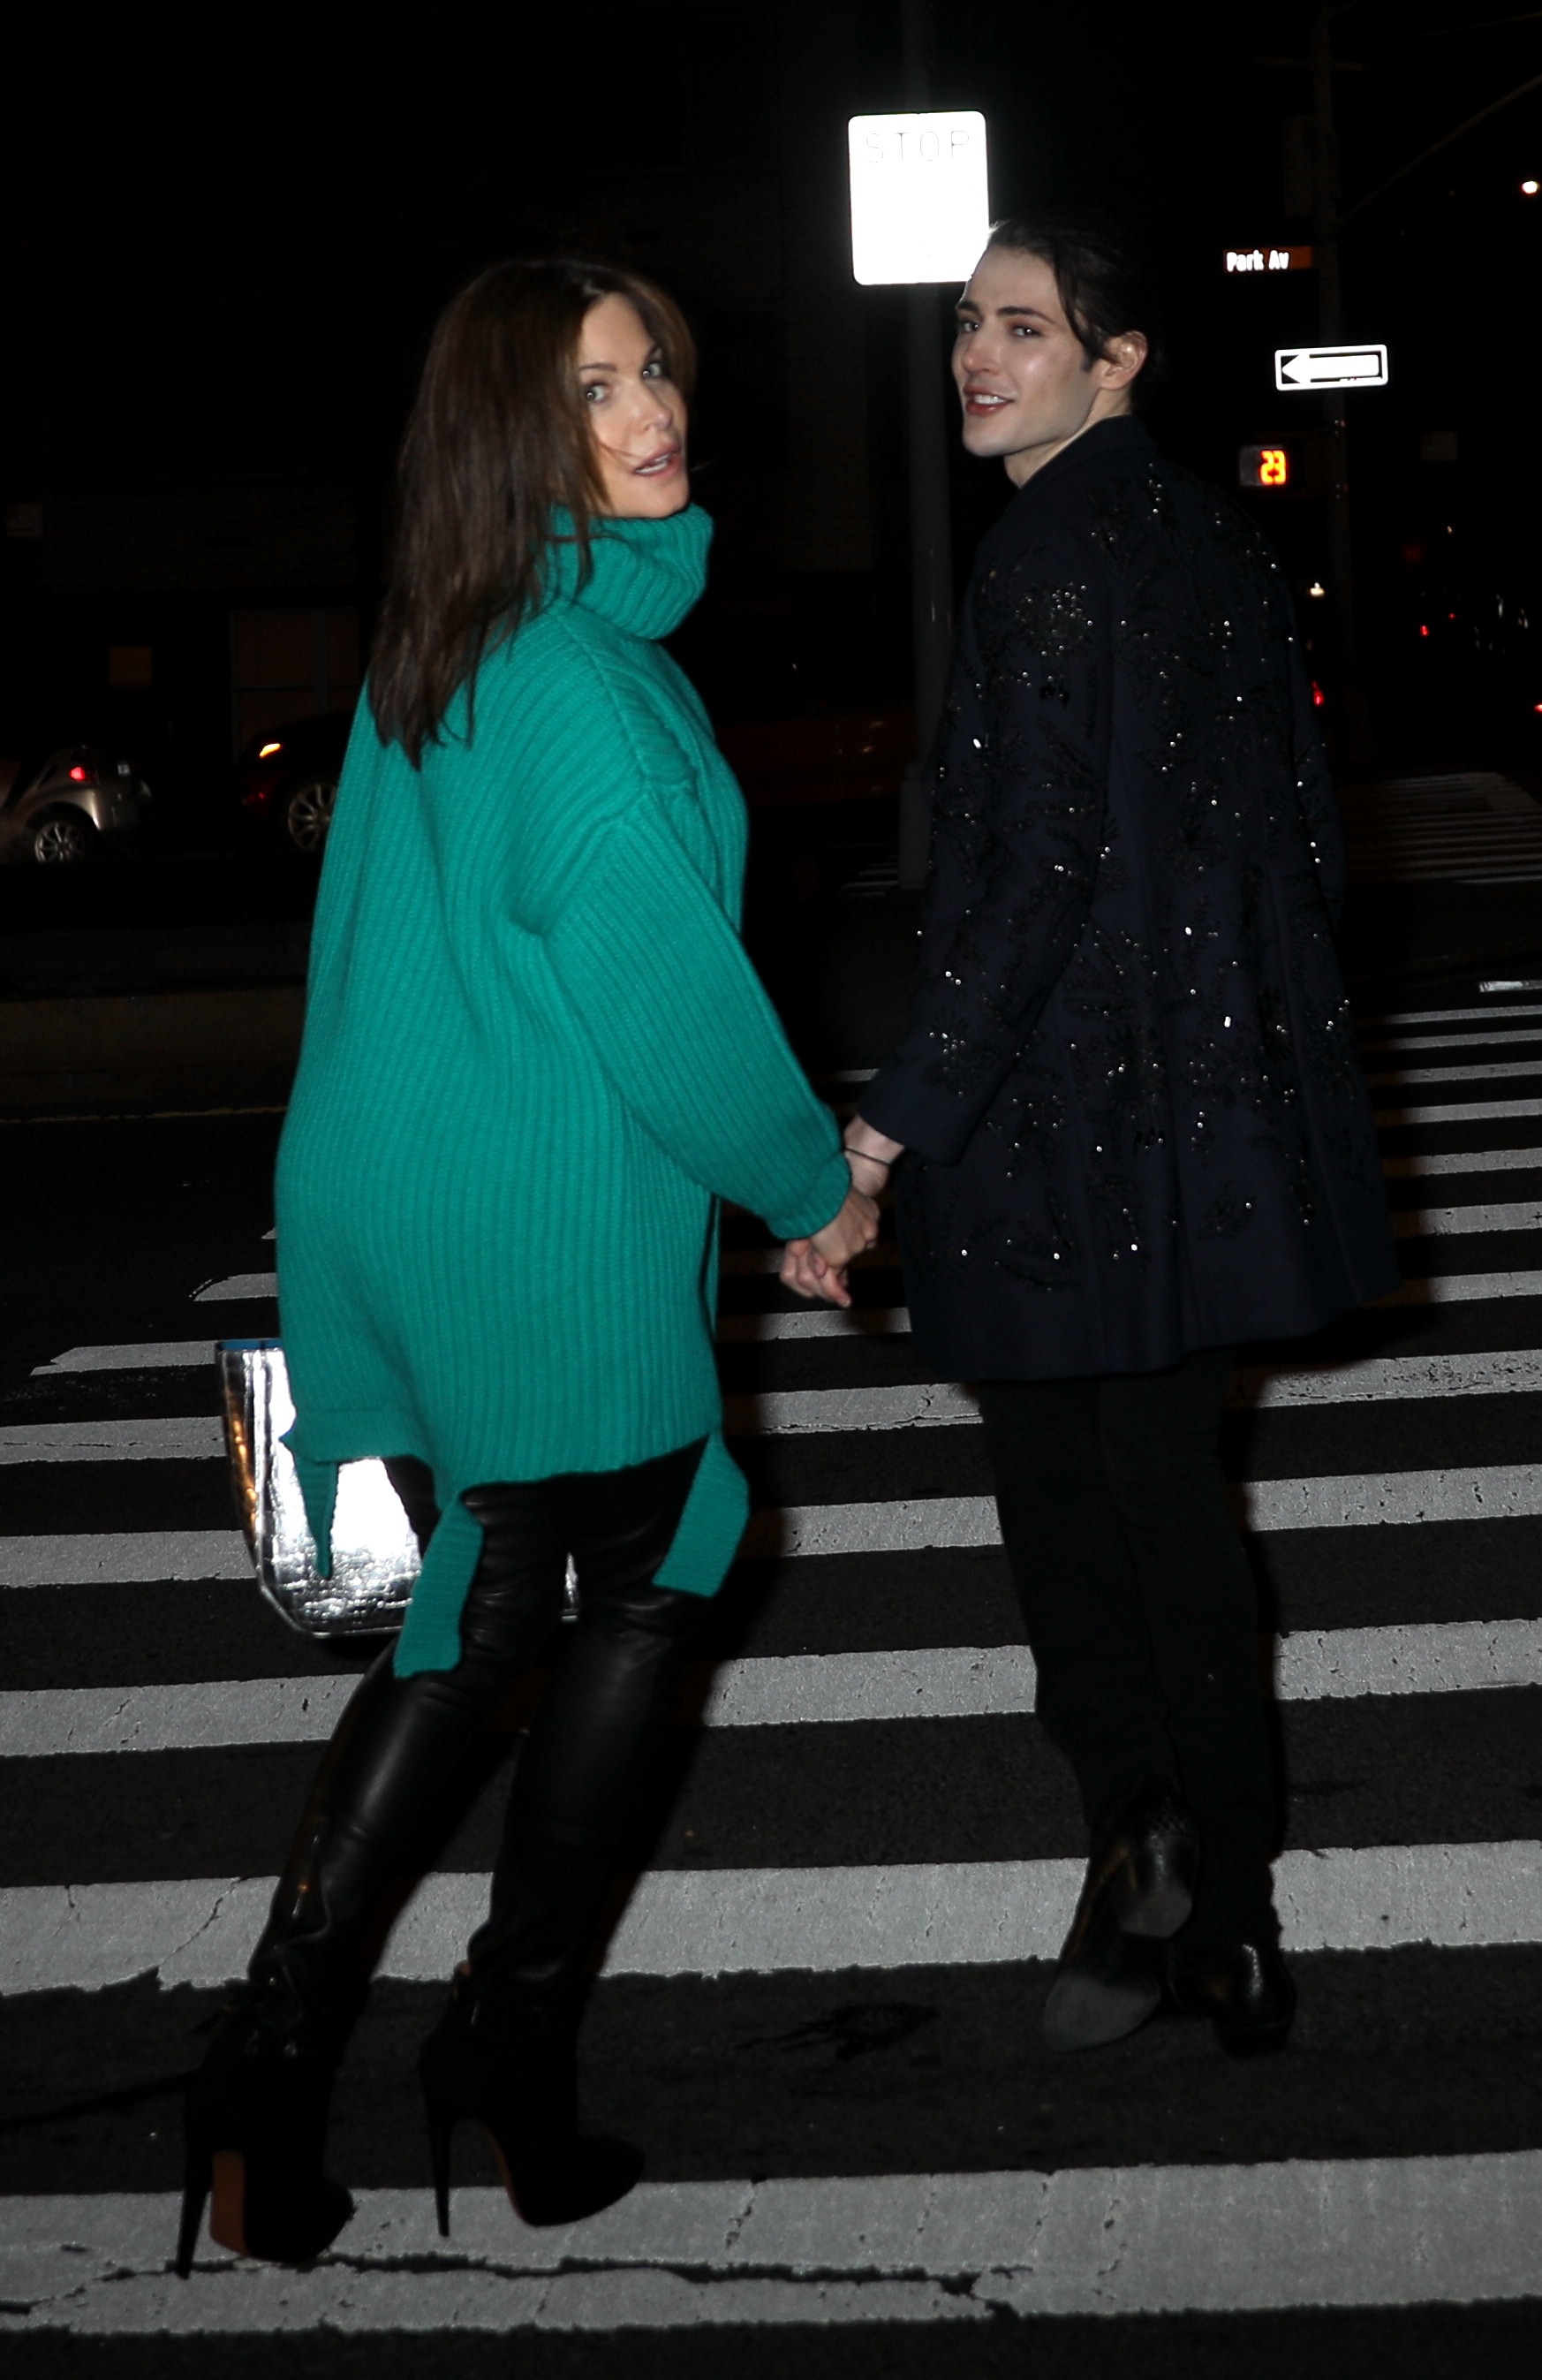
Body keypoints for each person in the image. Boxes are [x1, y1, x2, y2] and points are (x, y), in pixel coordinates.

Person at [177, 256, 878, 2275]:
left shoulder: (458, 640)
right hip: (542, 1210)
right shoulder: (586, 684)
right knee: (634, 1597)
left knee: (528, 1610)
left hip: (415, 1189)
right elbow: (664, 991)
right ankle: (474, 2049)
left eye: (658, 366)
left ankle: (310, 2066)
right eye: (595, 388)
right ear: (512, 431)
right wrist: (806, 1188)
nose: (654, 410)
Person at [788, 220, 1396, 2058]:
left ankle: (1139, 1834)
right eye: (970, 323)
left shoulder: (1043, 560)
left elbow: (1028, 888)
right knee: (1176, 1511)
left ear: (1116, 360)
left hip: (1062, 1131)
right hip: (1206, 1121)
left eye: (1025, 328)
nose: (979, 355)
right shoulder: (1220, 540)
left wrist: (887, 1143)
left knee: (1071, 1510)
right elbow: (1299, 847)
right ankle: (1230, 1918)